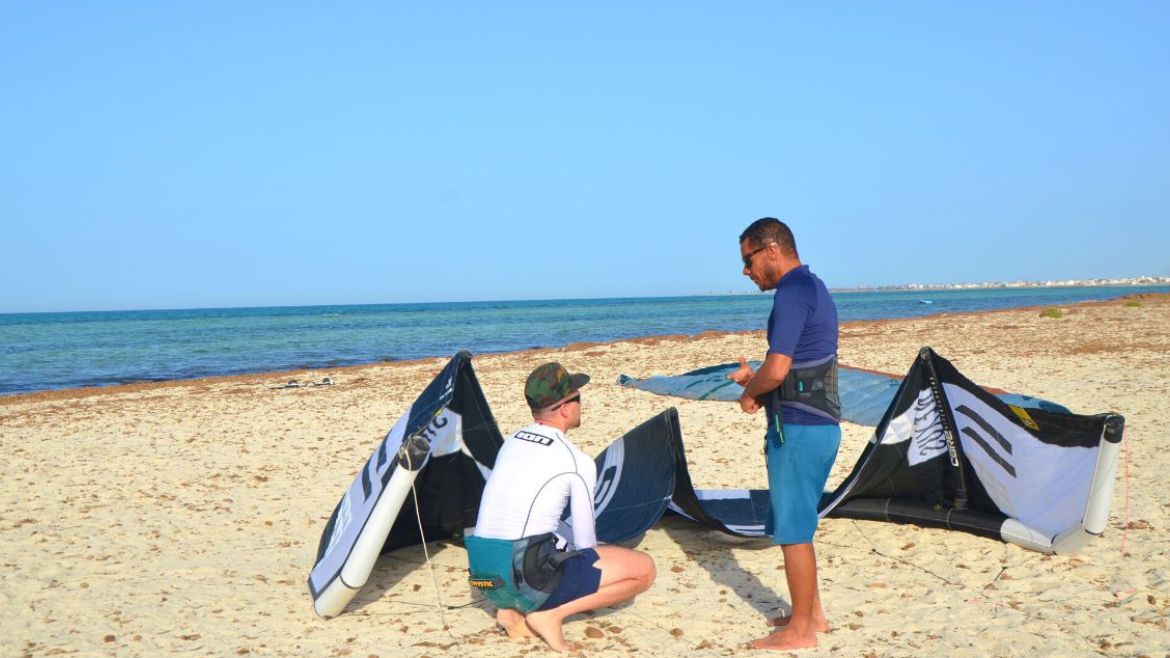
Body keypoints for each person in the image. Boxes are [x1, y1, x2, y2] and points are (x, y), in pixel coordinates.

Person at [466, 362, 656, 652]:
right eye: (578, 398)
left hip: (483, 576)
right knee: (643, 569)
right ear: (566, 408)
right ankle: (550, 614)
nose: (581, 404)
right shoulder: (575, 460)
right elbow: (586, 544)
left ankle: (510, 611)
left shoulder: (512, 441)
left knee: (544, 546)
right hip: (524, 574)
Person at [728, 217, 841, 651]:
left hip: (799, 428)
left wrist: (750, 392)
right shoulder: (813, 287)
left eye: (747, 259)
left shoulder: (792, 293)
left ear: (771, 250)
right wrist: (753, 381)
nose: (745, 270)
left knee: (794, 530)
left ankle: (800, 634)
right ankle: (811, 615)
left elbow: (777, 371)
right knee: (798, 522)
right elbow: (798, 368)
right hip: (816, 423)